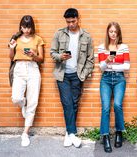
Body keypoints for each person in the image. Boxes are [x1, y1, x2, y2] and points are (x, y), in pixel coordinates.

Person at [50, 8, 94, 148]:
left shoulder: (86, 36)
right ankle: (72, 133)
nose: (70, 24)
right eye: (68, 22)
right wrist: (60, 57)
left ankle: (69, 134)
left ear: (78, 19)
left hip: (77, 75)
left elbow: (90, 59)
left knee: (74, 104)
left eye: (73, 21)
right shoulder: (59, 34)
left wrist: (84, 73)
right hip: (62, 75)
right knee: (67, 103)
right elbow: (52, 53)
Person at [8, 15, 44, 147]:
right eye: (24, 27)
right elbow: (11, 58)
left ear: (32, 27)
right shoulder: (16, 38)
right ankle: (23, 103)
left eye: (28, 27)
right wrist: (12, 47)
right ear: (21, 27)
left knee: (33, 102)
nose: (26, 30)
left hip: (33, 69)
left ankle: (25, 133)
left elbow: (41, 59)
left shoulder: (38, 39)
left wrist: (34, 56)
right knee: (16, 98)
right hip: (19, 68)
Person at [98, 22, 130, 153]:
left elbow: (127, 66)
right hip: (105, 79)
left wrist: (112, 66)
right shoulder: (101, 48)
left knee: (117, 105)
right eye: (111, 31)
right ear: (107, 32)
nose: (113, 34)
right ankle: (105, 136)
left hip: (119, 79)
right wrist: (107, 61)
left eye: (115, 31)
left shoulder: (123, 47)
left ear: (118, 33)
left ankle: (119, 133)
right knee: (105, 107)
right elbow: (101, 67)